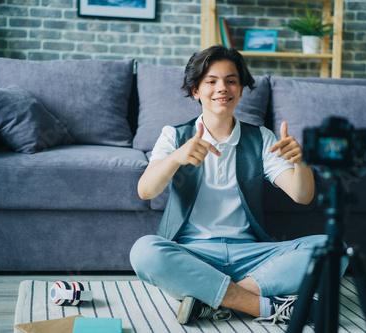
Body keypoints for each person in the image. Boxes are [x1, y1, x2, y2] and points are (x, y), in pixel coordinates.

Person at [130, 45, 347, 326]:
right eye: (211, 81)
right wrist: (177, 157)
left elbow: (302, 196)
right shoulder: (174, 135)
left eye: (231, 80)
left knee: (336, 249)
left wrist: (302, 162)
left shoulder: (262, 138)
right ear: (196, 90)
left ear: (241, 90)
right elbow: (145, 191)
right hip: (193, 254)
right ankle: (263, 305)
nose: (223, 88)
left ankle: (209, 298)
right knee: (144, 251)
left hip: (252, 255)